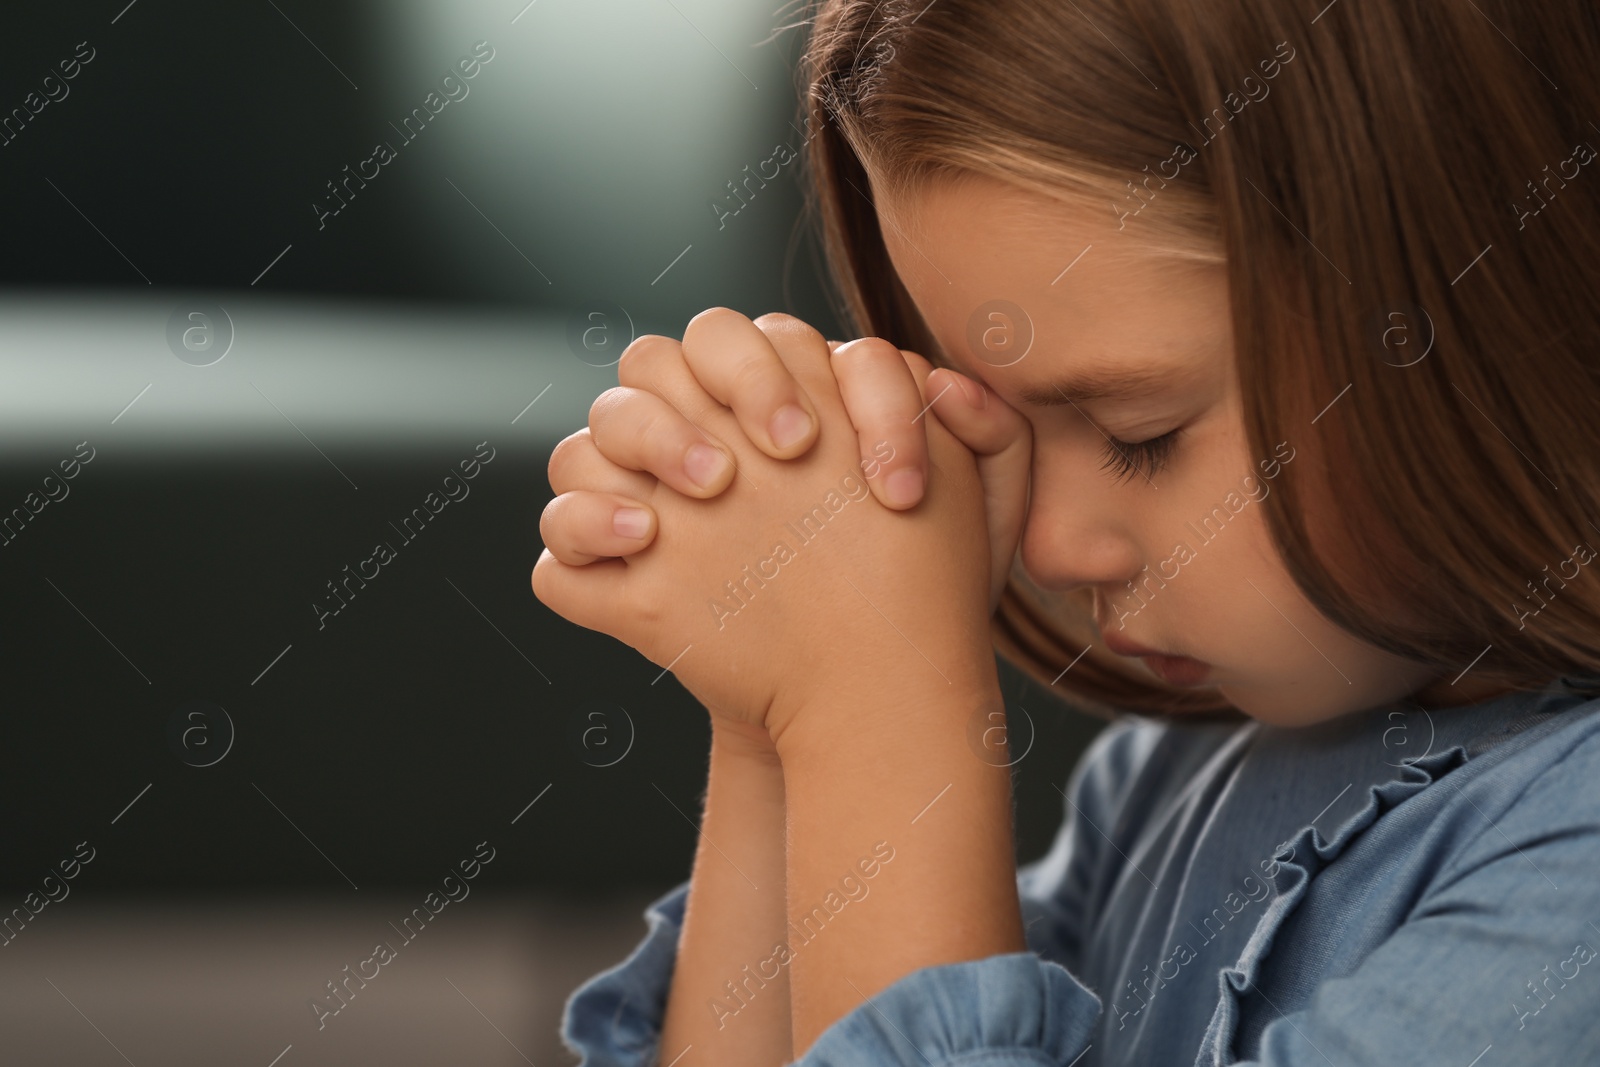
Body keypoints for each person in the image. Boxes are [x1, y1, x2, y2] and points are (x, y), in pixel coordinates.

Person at [532, 0, 1600, 1062]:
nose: (1046, 547)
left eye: (1143, 434)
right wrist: (775, 722)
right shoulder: (1178, 772)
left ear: (1495, 307)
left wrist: (872, 704)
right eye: (994, 423)